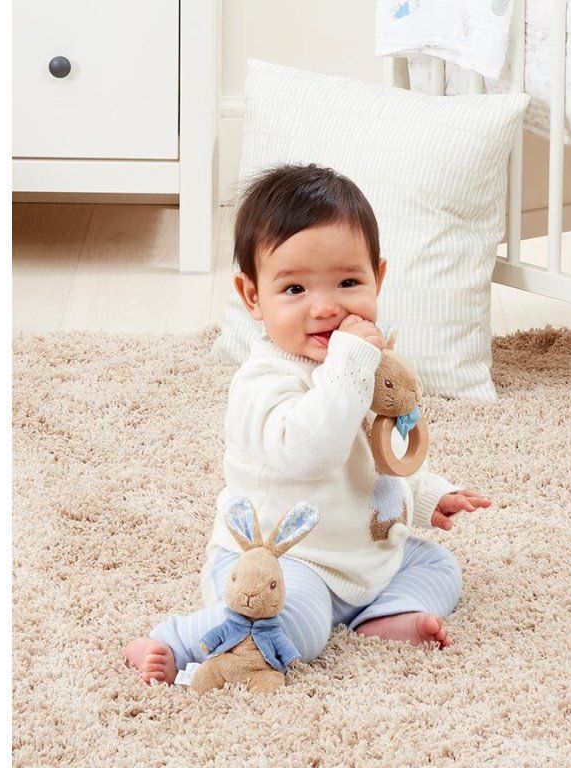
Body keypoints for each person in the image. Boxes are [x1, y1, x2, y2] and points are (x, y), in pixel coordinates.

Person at [124, 164, 492, 684]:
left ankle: (386, 615)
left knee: (436, 565)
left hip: (361, 556)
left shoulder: (362, 365)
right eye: (295, 288)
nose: (325, 307)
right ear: (253, 296)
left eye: (348, 282)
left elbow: (373, 458)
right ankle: (175, 640)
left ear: (378, 278)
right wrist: (349, 366)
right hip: (283, 566)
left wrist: (428, 493)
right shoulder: (263, 382)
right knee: (297, 627)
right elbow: (311, 453)